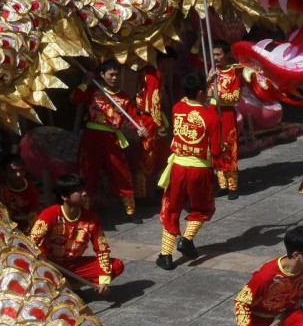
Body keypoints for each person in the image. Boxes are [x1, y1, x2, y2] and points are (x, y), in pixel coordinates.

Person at [155, 71, 223, 270]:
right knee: (203, 208)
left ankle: (166, 255)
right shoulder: (212, 117)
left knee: (171, 208)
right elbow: (217, 151)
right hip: (200, 169)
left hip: (178, 167)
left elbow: (190, 101)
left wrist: (205, 85)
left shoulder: (177, 108)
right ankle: (186, 239)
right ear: (202, 92)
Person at [70, 59, 148, 223]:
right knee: (88, 173)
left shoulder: (123, 97)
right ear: (102, 75)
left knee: (121, 173)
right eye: (111, 74)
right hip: (92, 138)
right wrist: (86, 82)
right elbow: (76, 99)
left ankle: (131, 211)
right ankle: (85, 212)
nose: (114, 78)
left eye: (116, 75)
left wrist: (140, 128)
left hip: (112, 139)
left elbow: (133, 117)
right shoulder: (93, 91)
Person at [30, 173, 124, 295]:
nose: (84, 193)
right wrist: (44, 261)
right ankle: (58, 286)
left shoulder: (92, 219)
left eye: (84, 190)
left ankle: (72, 287)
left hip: (75, 265)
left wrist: (104, 280)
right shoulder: (49, 214)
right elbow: (33, 242)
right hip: (50, 265)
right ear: (64, 196)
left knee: (116, 265)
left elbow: (102, 249)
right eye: (79, 191)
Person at [134, 49, 175, 201]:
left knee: (160, 155)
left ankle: (156, 190)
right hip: (150, 121)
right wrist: (160, 126)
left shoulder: (146, 71)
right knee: (149, 156)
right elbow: (154, 102)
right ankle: (145, 194)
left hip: (148, 118)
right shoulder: (154, 74)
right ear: (168, 61)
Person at [210, 39, 243, 199]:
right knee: (215, 146)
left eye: (218, 54)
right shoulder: (211, 70)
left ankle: (233, 186)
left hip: (227, 113)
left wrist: (217, 96)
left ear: (227, 54)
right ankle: (222, 184)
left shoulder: (234, 72)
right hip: (212, 112)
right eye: (213, 54)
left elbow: (235, 96)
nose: (215, 58)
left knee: (229, 147)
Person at [0, 153, 41, 233]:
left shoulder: (31, 192)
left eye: (22, 170)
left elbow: (34, 219)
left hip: (21, 228)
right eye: (13, 171)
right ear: (4, 172)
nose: (18, 174)